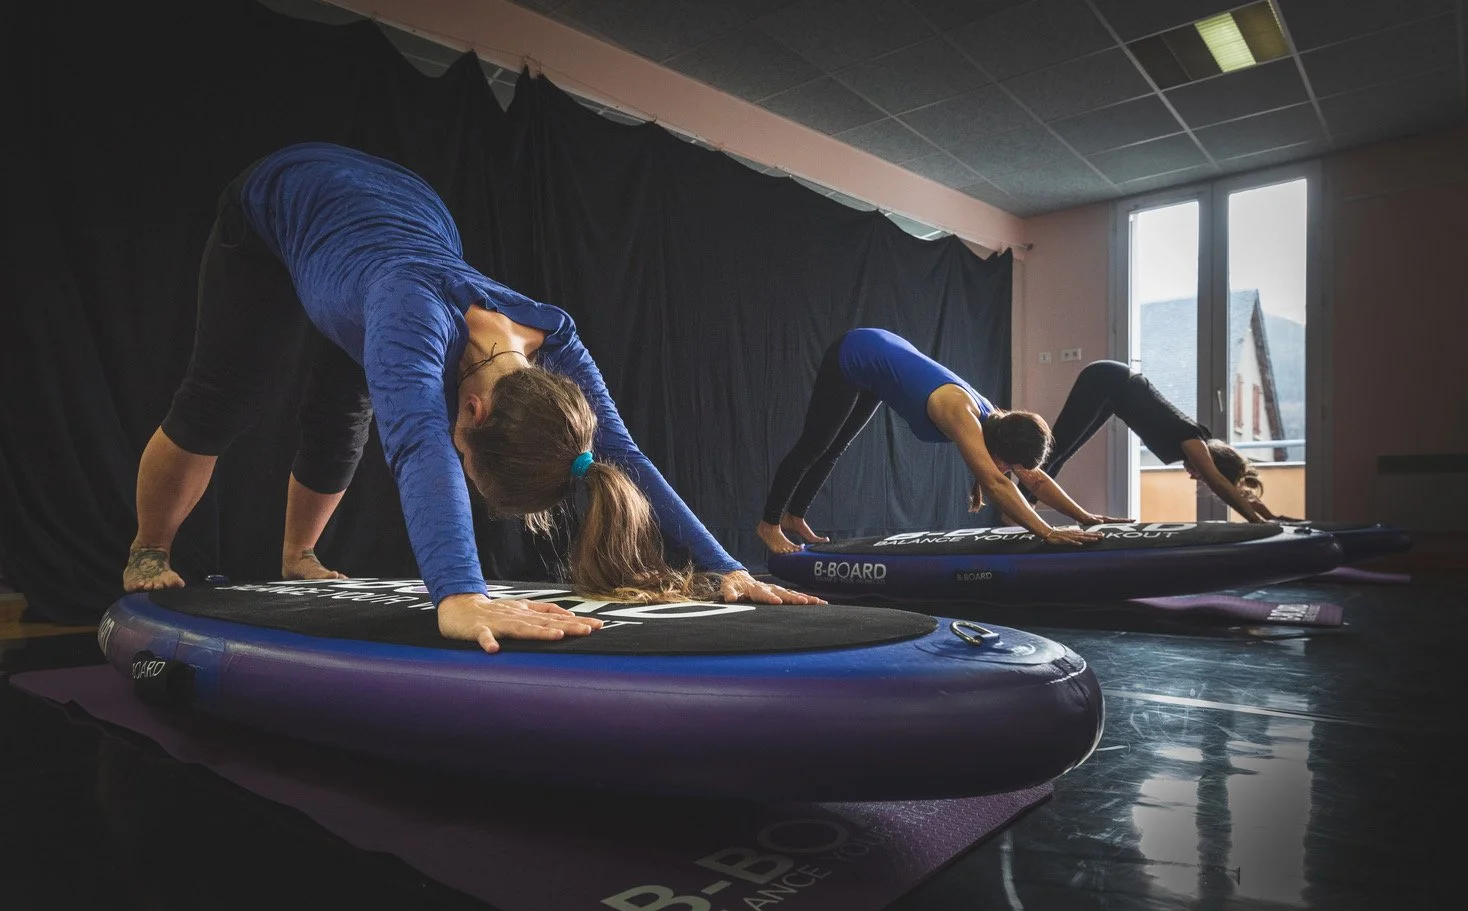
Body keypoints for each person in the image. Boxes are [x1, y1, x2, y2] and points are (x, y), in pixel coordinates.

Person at [124, 141, 820, 653]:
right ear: (476, 413)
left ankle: (296, 557)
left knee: (346, 411)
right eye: (468, 457)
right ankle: (148, 549)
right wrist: (459, 594)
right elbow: (421, 445)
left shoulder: (553, 337)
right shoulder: (409, 312)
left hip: (411, 202)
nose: (454, 456)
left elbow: (621, 452)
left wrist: (723, 567)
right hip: (286, 192)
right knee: (221, 398)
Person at [758, 327, 1126, 554]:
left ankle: (795, 516)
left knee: (835, 447)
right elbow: (998, 483)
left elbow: (1032, 477)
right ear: (1000, 452)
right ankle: (770, 524)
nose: (1014, 473)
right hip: (857, 352)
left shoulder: (997, 420)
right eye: (1011, 465)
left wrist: (1084, 517)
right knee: (814, 444)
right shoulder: (959, 412)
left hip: (883, 358)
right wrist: (1047, 532)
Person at [1039, 360, 1289, 523]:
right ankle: (1016, 511)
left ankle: (1022, 506)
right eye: (1200, 474)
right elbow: (1221, 484)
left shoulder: (1196, 441)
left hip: (1114, 388)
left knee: (1061, 452)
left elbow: (1233, 487)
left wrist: (1272, 516)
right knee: (1055, 449)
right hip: (1107, 379)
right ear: (1213, 462)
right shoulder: (1194, 441)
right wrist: (1259, 524)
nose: (1194, 476)